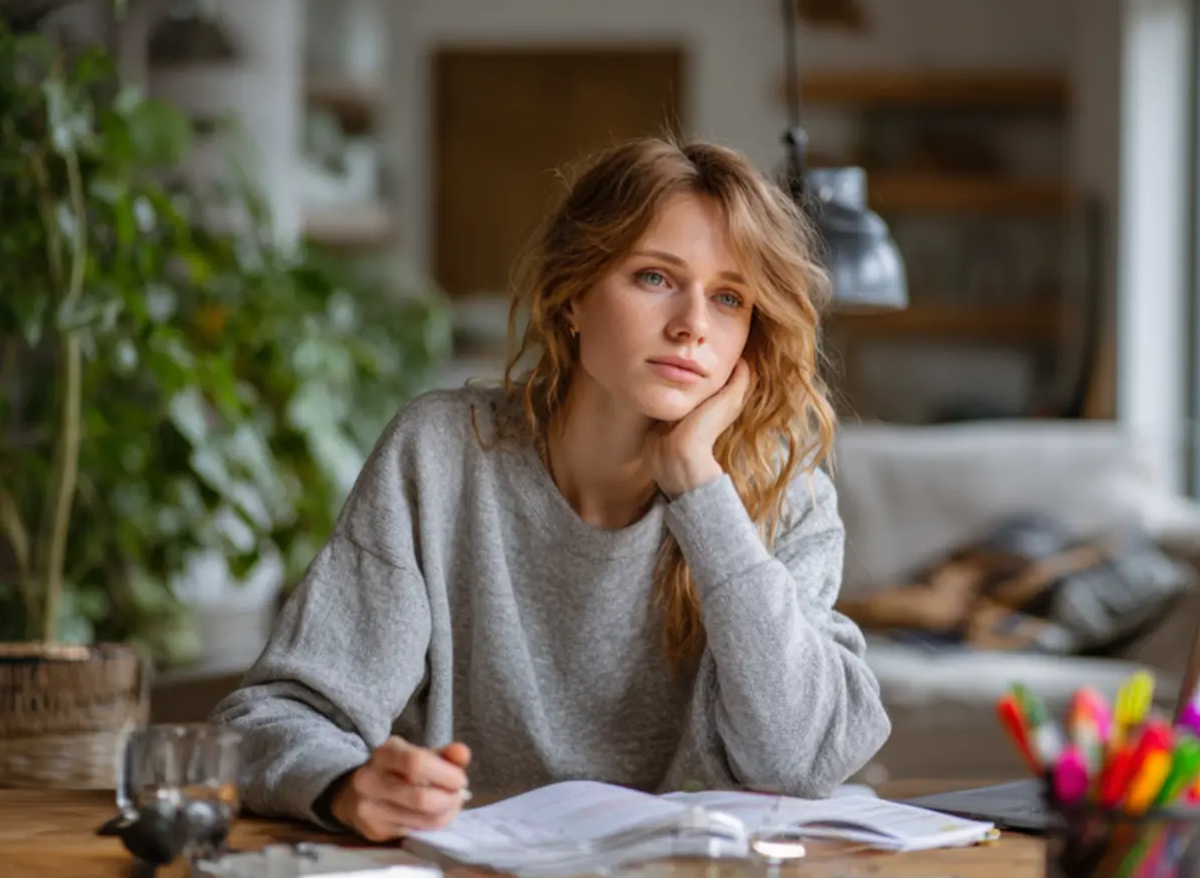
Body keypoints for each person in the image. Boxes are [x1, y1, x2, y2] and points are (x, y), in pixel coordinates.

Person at [210, 136, 891, 842]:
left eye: (728, 298)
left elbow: (802, 759)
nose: (692, 325)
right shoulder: (445, 455)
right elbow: (270, 718)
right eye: (655, 278)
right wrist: (348, 789)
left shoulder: (784, 491)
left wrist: (698, 485)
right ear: (572, 297)